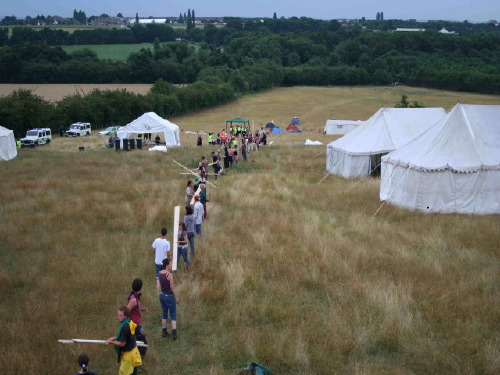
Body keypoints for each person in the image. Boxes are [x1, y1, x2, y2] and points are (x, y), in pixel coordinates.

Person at [105, 306, 142, 375]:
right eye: (118, 315)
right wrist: (114, 338)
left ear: (125, 316)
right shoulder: (129, 322)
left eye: (120, 315)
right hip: (134, 353)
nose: (118, 317)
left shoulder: (125, 327)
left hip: (129, 357)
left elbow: (122, 343)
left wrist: (111, 342)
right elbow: (126, 336)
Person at [157, 258, 178, 341]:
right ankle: (174, 334)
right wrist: (176, 298)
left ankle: (164, 332)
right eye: (170, 264)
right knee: (173, 314)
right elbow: (172, 288)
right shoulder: (169, 275)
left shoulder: (160, 273)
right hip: (169, 296)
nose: (171, 265)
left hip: (162, 295)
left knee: (164, 313)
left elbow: (159, 285)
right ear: (167, 265)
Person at [127, 279, 148, 360]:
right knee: (143, 344)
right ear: (140, 287)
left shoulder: (135, 297)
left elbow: (134, 308)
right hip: (135, 326)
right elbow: (127, 310)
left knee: (136, 344)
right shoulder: (133, 300)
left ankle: (136, 362)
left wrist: (142, 309)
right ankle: (138, 364)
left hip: (135, 325)